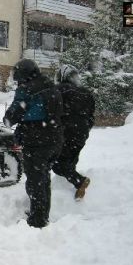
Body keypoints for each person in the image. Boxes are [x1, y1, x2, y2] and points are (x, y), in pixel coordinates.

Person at [3, 59, 63, 228]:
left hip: (36, 142)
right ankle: (42, 214)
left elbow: (13, 114)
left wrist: (8, 119)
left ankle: (37, 221)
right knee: (44, 179)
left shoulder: (27, 90)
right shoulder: (50, 86)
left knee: (35, 181)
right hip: (55, 139)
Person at [52, 64, 95, 200]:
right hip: (81, 135)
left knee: (57, 165)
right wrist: (84, 130)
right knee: (70, 162)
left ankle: (79, 181)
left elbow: (52, 113)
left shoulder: (57, 90)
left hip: (64, 133)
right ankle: (69, 198)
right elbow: (91, 117)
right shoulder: (86, 93)